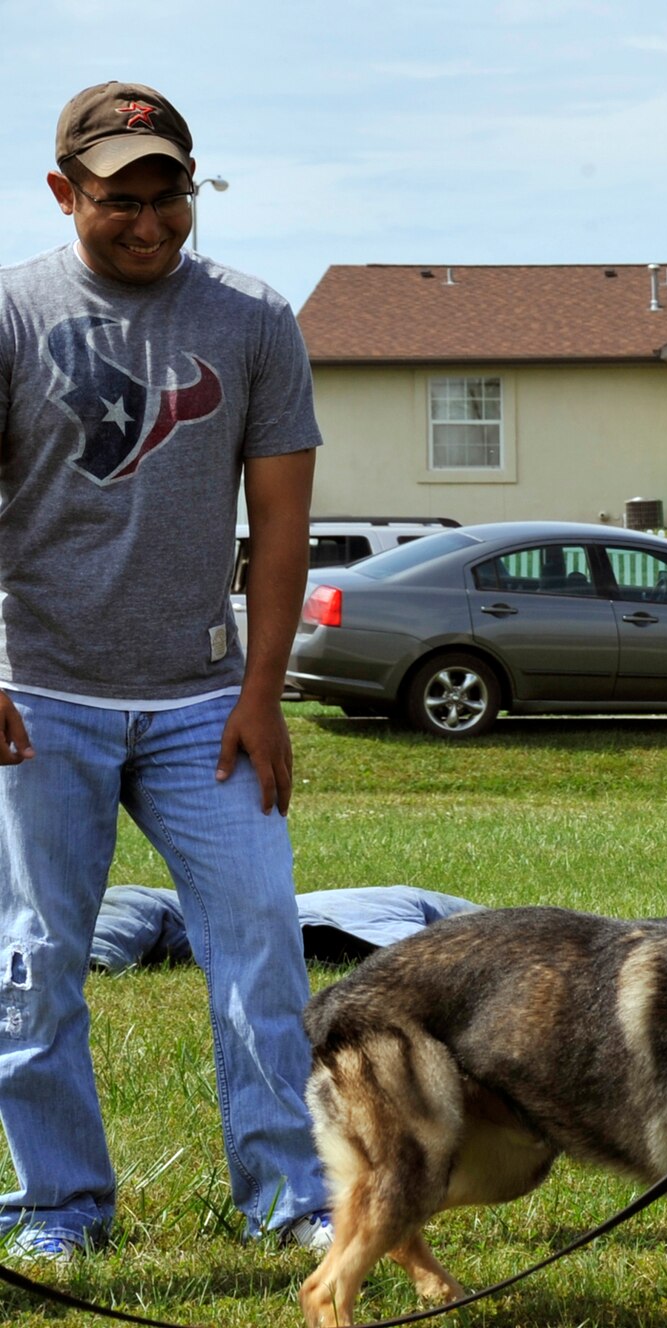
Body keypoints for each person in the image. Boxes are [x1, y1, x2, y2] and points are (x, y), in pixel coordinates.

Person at [0, 80, 330, 1264]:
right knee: (35, 968)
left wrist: (262, 692)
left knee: (262, 954)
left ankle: (294, 1199)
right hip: (40, 698)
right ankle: (62, 1206)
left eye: (169, 195)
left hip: (205, 707)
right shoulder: (13, 311)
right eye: (118, 199)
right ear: (63, 192)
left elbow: (280, 527)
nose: (147, 221)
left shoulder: (251, 317)